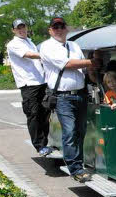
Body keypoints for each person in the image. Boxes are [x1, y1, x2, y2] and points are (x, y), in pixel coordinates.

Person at [40, 16, 97, 182]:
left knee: (81, 131)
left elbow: (82, 68)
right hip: (63, 97)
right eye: (55, 27)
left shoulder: (74, 45)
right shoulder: (47, 46)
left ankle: (78, 162)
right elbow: (68, 64)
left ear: (66, 29)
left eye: (61, 26)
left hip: (80, 94)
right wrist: (92, 62)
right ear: (50, 30)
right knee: (70, 132)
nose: (59, 30)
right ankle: (76, 169)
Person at [6, 19, 51, 155]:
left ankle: (45, 143)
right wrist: (50, 56)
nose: (22, 30)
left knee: (45, 113)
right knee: (34, 114)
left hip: (40, 82)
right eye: (18, 28)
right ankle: (39, 145)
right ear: (13, 30)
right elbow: (29, 55)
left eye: (23, 27)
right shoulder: (13, 44)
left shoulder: (29, 41)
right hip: (28, 84)